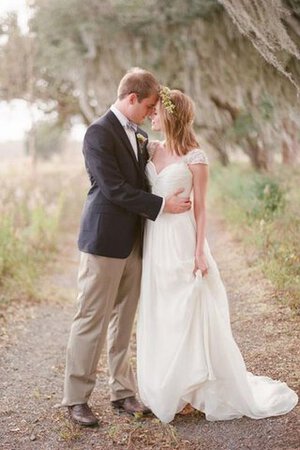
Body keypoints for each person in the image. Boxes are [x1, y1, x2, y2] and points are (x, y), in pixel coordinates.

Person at [136, 87, 298, 423]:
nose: (151, 116)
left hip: (182, 238)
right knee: (161, 308)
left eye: (156, 111)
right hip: (155, 238)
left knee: (188, 308)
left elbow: (201, 210)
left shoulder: (195, 157)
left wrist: (199, 252)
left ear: (170, 114)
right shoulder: (149, 149)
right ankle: (170, 387)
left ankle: (195, 389)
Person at [62, 69, 191, 427]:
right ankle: (76, 399)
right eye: (149, 106)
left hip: (135, 242)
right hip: (103, 241)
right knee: (91, 319)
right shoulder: (97, 133)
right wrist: (163, 206)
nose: (152, 113)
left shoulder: (140, 134)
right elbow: (114, 188)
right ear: (131, 98)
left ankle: (122, 392)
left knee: (124, 321)